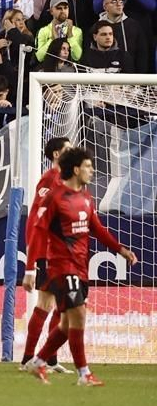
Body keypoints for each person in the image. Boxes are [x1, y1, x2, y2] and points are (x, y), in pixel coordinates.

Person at [26, 147, 139, 385]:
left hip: (80, 267)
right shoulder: (55, 197)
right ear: (76, 169)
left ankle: (38, 362)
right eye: (87, 166)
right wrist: (30, 269)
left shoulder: (86, 197)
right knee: (78, 316)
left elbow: (96, 228)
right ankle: (84, 373)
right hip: (61, 266)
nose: (92, 170)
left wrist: (120, 249)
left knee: (67, 324)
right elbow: (37, 233)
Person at [20, 136, 73, 373]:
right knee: (46, 303)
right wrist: (32, 259)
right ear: (56, 155)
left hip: (64, 252)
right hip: (47, 252)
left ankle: (50, 358)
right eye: (68, 150)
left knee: (63, 306)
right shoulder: (49, 179)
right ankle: (28, 358)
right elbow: (36, 218)